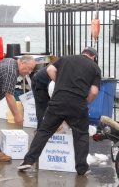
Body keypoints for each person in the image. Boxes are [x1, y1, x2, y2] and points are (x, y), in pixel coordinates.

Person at [17, 46, 101, 175]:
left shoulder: (66, 59)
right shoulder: (95, 68)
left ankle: (28, 161)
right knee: (81, 135)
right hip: (78, 105)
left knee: (44, 131)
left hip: (58, 102)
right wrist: (87, 102)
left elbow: (50, 69)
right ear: (93, 57)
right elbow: (94, 91)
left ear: (83, 53)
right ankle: (82, 168)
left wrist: (60, 82)